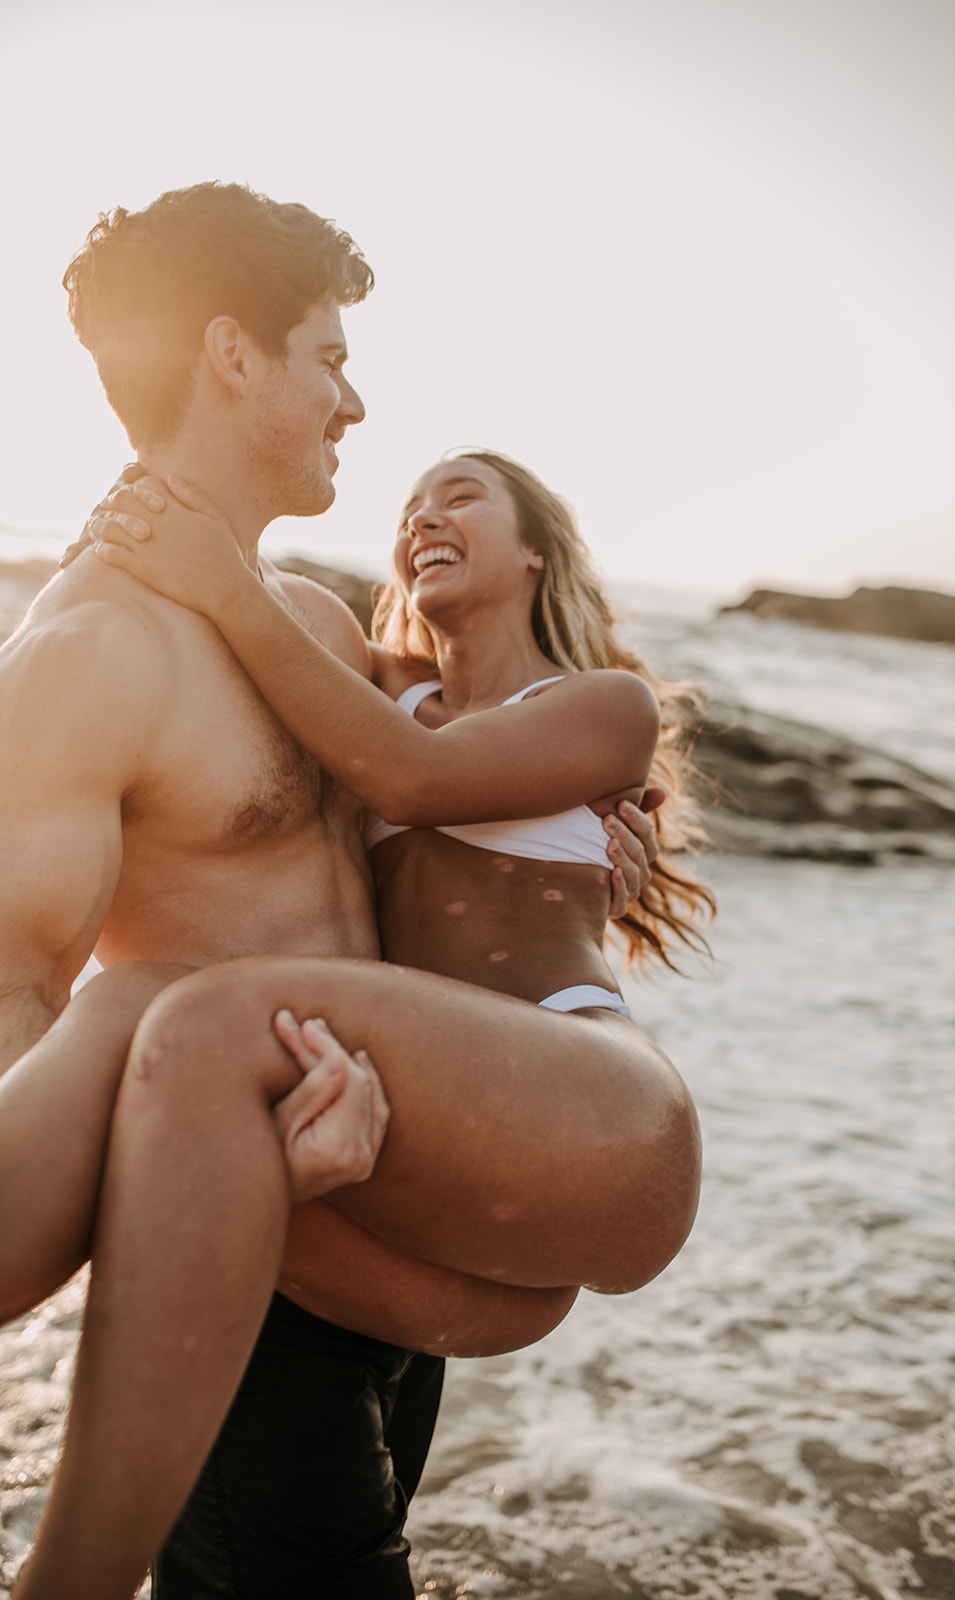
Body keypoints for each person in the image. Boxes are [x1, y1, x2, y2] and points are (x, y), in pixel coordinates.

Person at [0, 184, 695, 1599]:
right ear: (233, 355)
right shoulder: (86, 651)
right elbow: (20, 986)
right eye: (328, 355)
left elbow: (436, 769)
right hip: (248, 1272)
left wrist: (589, 831)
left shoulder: (311, 631)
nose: (355, 405)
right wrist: (221, 1175)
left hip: (402, 1215)